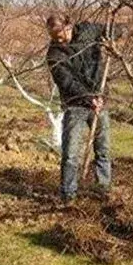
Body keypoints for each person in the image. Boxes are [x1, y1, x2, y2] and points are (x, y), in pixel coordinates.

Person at [46, 13, 119, 204]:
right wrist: (89, 99)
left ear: (69, 26)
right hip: (75, 105)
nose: (58, 40)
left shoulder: (87, 31)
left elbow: (114, 29)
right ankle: (68, 194)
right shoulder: (54, 54)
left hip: (100, 98)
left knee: (103, 149)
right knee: (70, 153)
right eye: (54, 37)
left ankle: (103, 188)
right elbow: (67, 82)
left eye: (60, 35)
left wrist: (111, 38)